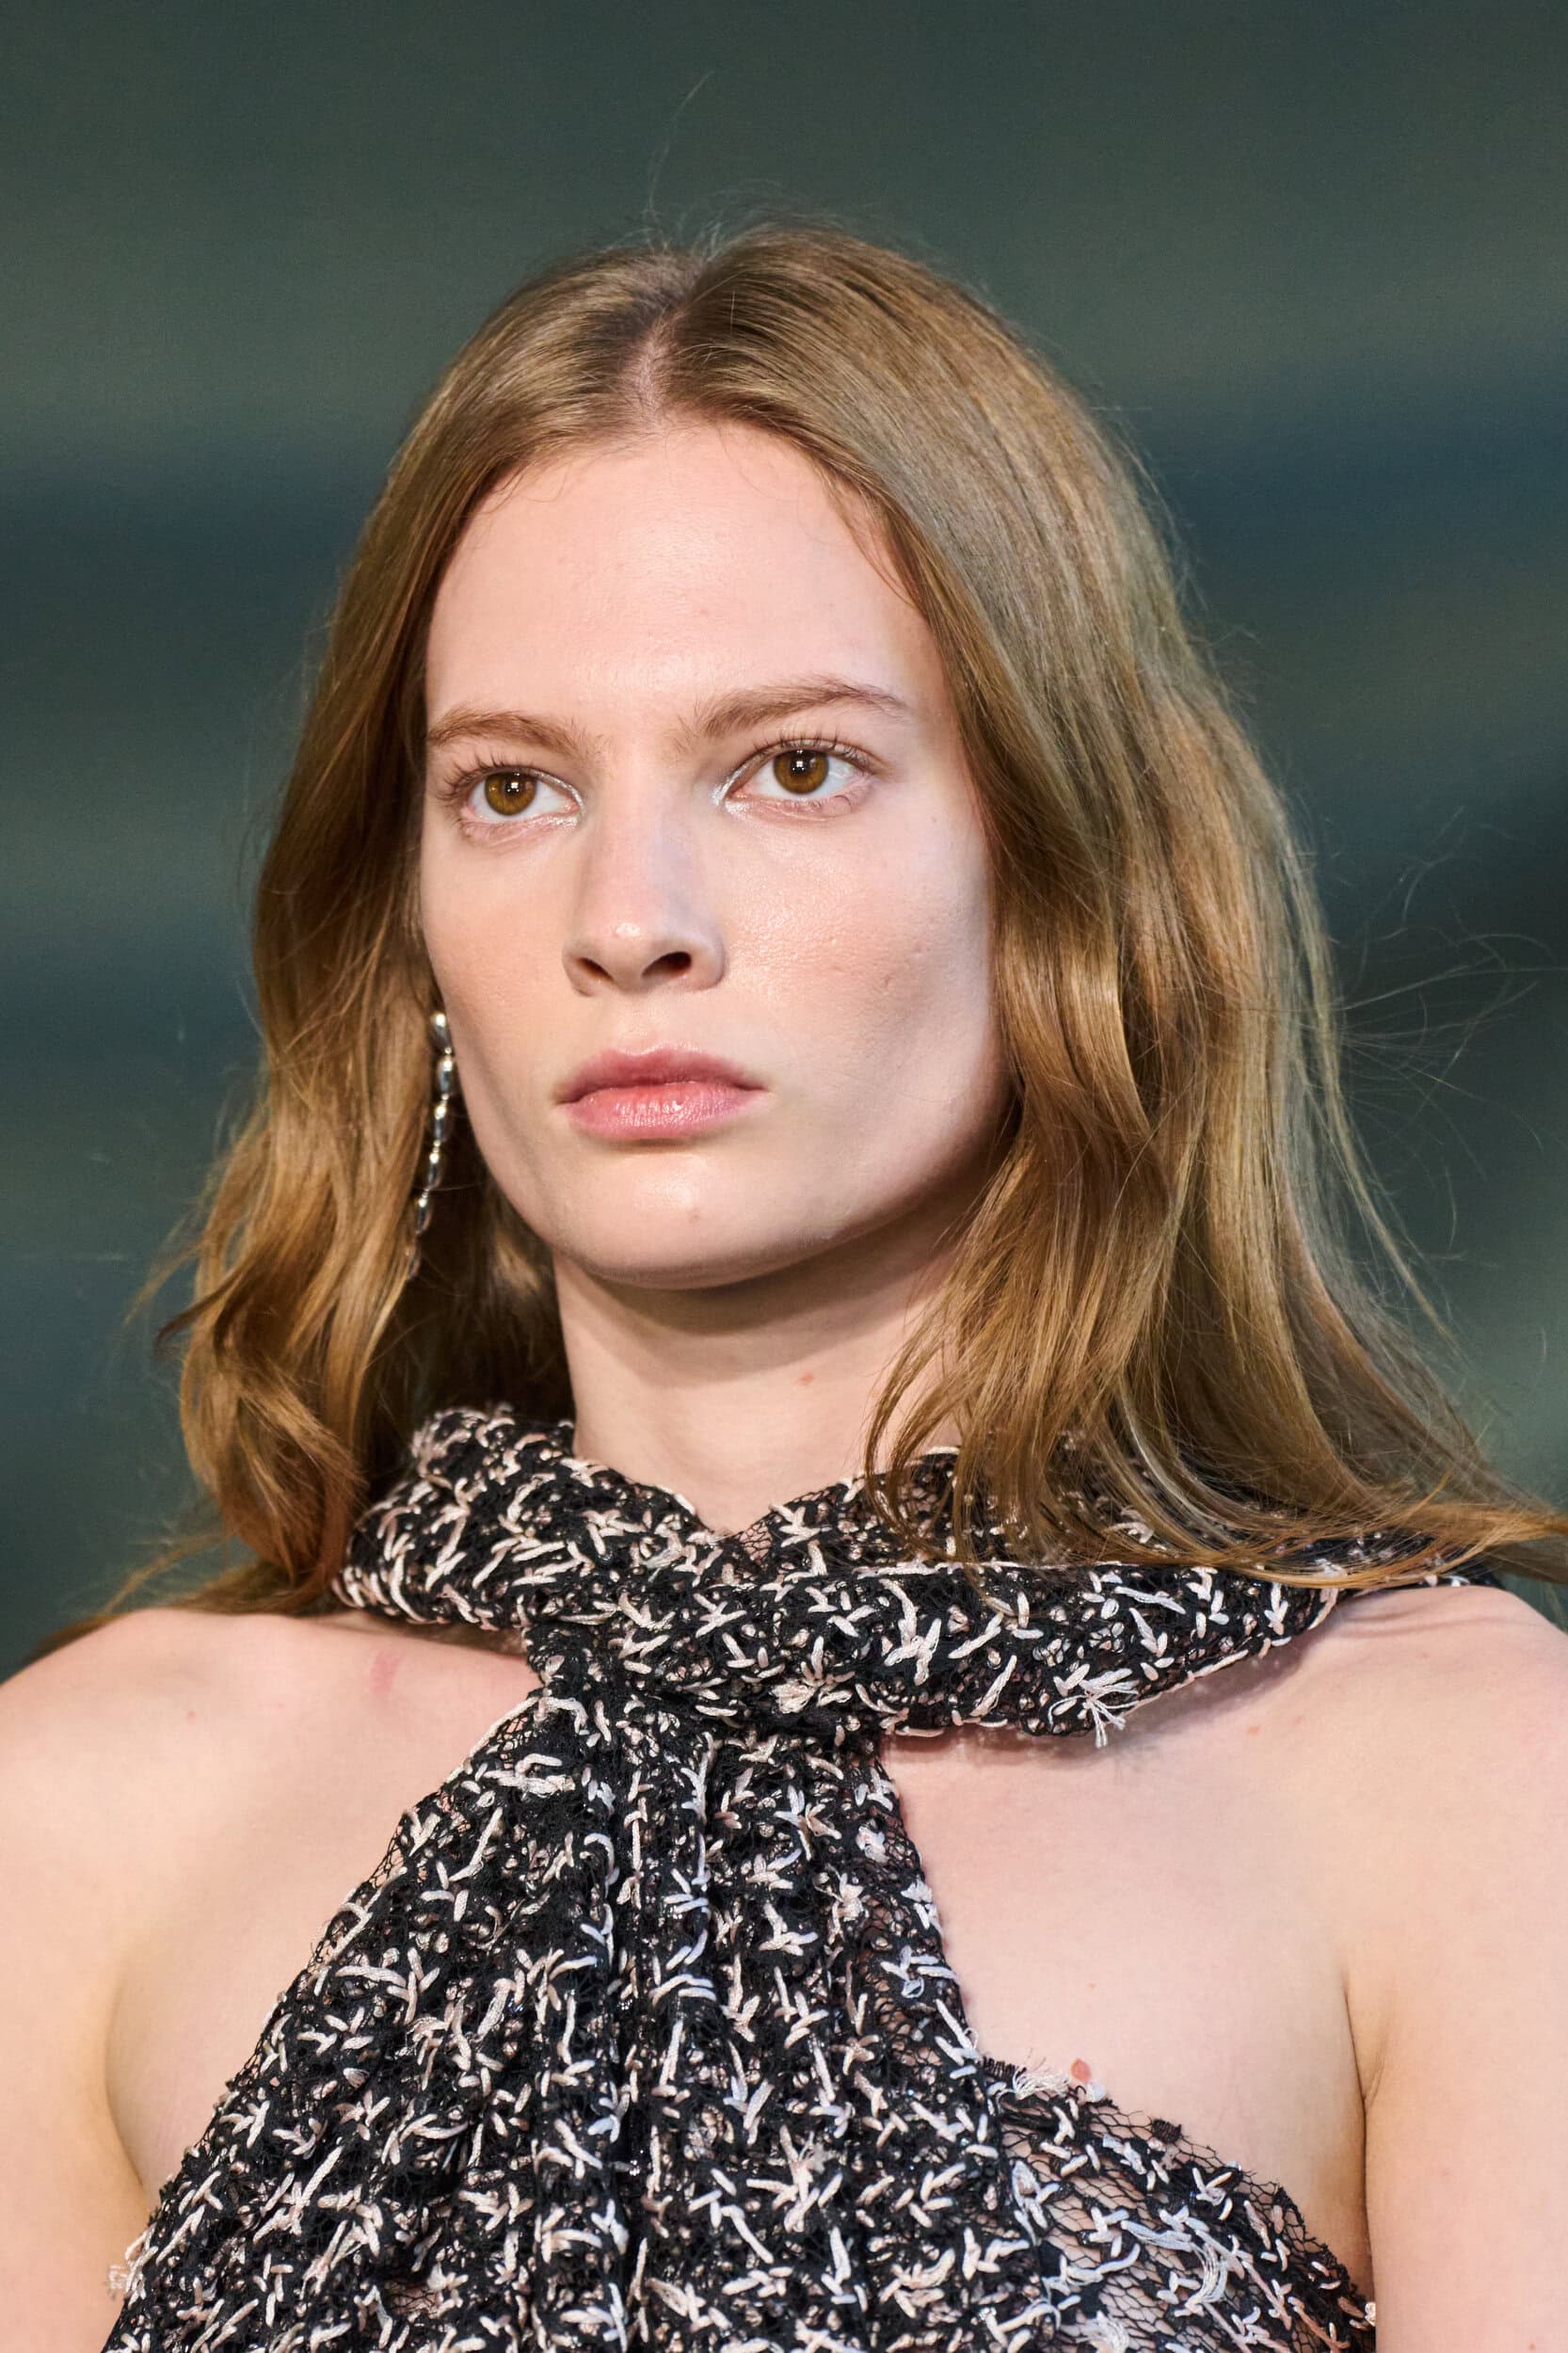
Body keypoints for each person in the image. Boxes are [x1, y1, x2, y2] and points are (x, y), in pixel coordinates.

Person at [4, 225, 1566, 2353]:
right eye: (512, 788)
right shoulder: (86, 1809)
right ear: (414, 929)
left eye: (793, 766)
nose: (629, 916)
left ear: (1062, 869)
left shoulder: (1448, 1778)